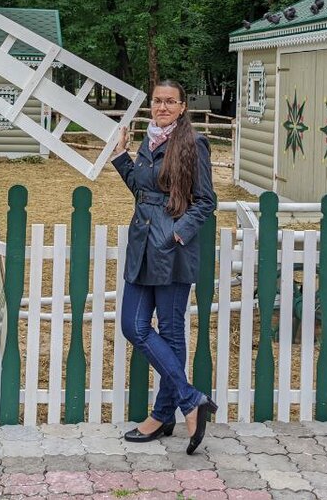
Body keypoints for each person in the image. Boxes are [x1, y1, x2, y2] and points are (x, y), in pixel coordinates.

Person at [112, 79, 219, 455]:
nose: (162, 107)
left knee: (171, 333)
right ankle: (190, 400)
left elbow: (206, 202)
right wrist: (121, 157)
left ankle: (162, 416)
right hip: (141, 248)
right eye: (157, 101)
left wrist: (176, 235)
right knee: (134, 326)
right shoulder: (148, 140)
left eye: (170, 101)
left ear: (183, 105)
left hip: (172, 252)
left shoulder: (192, 144)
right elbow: (145, 191)